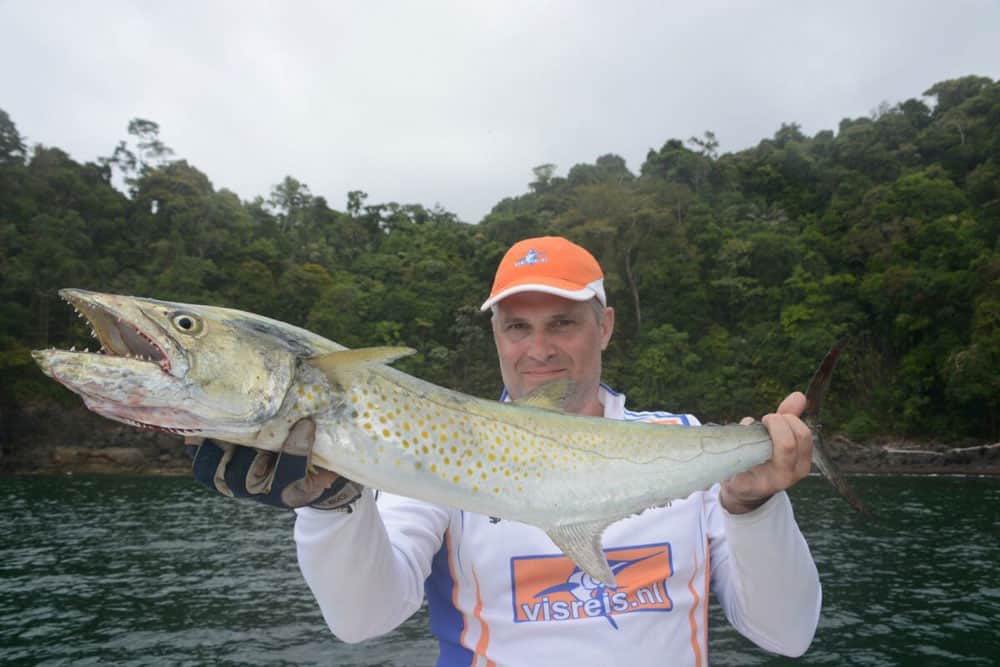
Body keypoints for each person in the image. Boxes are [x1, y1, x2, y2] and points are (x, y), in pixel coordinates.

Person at [194, 236, 821, 666]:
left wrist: (753, 507)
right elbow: (363, 620)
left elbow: (786, 635)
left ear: (603, 327)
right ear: (496, 334)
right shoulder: (433, 449)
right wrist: (330, 506)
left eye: (563, 323)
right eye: (518, 326)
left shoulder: (686, 442)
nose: (539, 349)